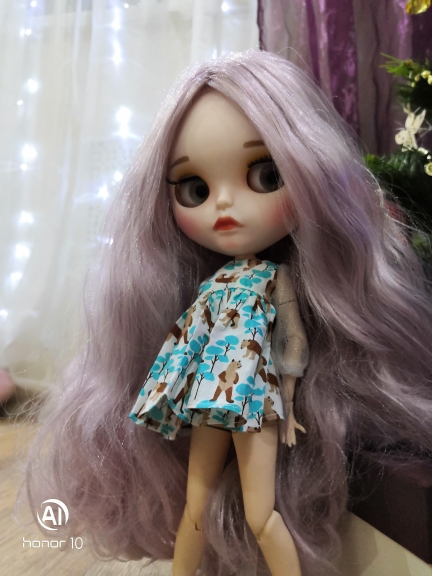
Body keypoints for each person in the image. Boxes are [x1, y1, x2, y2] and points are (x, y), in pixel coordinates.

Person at [24, 51, 432, 576]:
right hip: (207, 402)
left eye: (265, 175)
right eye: (195, 189)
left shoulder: (274, 280)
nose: (222, 205)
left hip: (256, 405)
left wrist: (288, 399)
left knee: (263, 515)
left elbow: (292, 341)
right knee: (195, 506)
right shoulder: (212, 282)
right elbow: (189, 339)